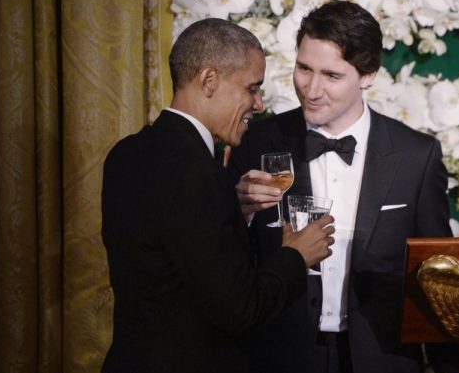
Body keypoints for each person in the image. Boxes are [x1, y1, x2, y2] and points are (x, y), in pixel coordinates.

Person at [228, 0, 459, 373]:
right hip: (278, 358)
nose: (312, 89)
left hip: (383, 359)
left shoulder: (417, 156)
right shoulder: (257, 142)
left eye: (331, 75)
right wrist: (239, 212)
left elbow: (440, 278)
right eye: (304, 68)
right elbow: (226, 265)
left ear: (368, 75)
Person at [101, 18, 336, 373]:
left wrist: (234, 212)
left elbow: (172, 254)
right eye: (251, 88)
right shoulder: (199, 171)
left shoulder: (127, 153)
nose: (258, 104)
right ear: (209, 80)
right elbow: (241, 310)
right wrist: (295, 255)